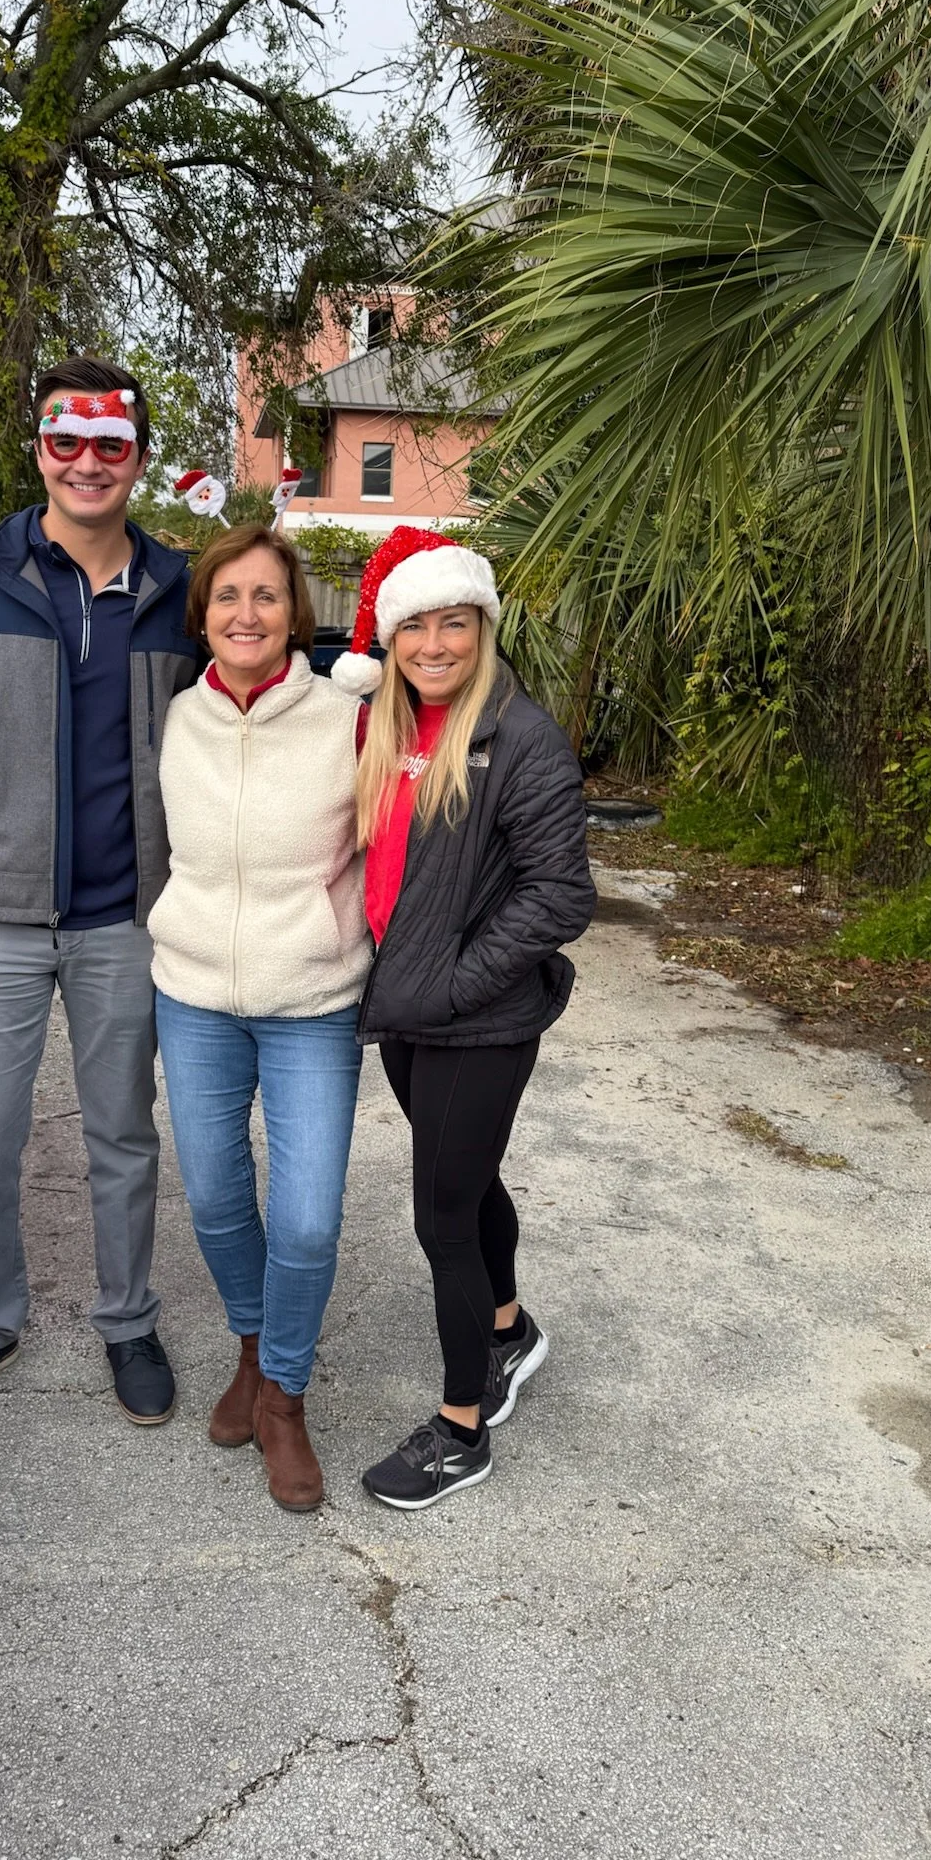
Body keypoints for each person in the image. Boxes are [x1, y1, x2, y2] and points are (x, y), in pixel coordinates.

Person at [0, 355, 199, 1421]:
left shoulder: (178, 589)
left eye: (110, 445)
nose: (86, 463)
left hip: (127, 919)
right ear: (40, 450)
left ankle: (127, 1318)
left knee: (123, 1132)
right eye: (66, 441)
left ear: (138, 461)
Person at [330, 527, 597, 1508]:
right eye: (416, 627)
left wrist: (451, 982)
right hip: (408, 1010)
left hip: (475, 1018)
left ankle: (460, 1428)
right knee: (471, 1179)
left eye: (455, 623)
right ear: (391, 639)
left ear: (483, 628)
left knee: (442, 1215)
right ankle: (508, 1328)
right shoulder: (387, 730)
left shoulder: (517, 736)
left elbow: (558, 894)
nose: (435, 643)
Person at [148, 524, 367, 1511]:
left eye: (267, 596)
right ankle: (252, 1345)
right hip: (192, 992)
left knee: (310, 1220)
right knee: (216, 1197)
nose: (246, 613)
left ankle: (284, 1394)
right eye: (227, 595)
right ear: (203, 612)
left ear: (295, 614)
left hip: (312, 999)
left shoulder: (346, 719)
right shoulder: (177, 717)